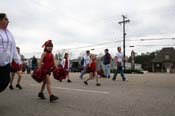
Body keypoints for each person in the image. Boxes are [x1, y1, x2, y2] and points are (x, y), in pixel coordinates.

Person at [0, 13, 21, 93]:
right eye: (6, 19)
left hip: (6, 63)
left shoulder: (9, 33)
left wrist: (18, 61)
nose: (8, 21)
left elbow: (14, 48)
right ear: (0, 20)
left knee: (6, 81)